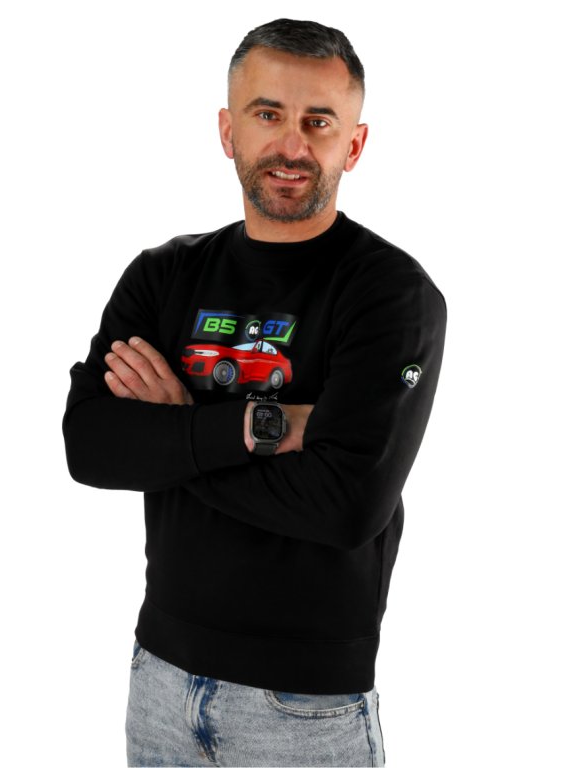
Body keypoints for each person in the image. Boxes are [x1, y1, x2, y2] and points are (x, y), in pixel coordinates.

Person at [63, 18, 446, 767]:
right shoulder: (163, 275)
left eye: (318, 122)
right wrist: (260, 427)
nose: (292, 146)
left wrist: (173, 432)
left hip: (304, 709)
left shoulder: (391, 295)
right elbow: (91, 445)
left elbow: (347, 505)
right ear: (228, 130)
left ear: (354, 145)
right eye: (268, 114)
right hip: (159, 682)